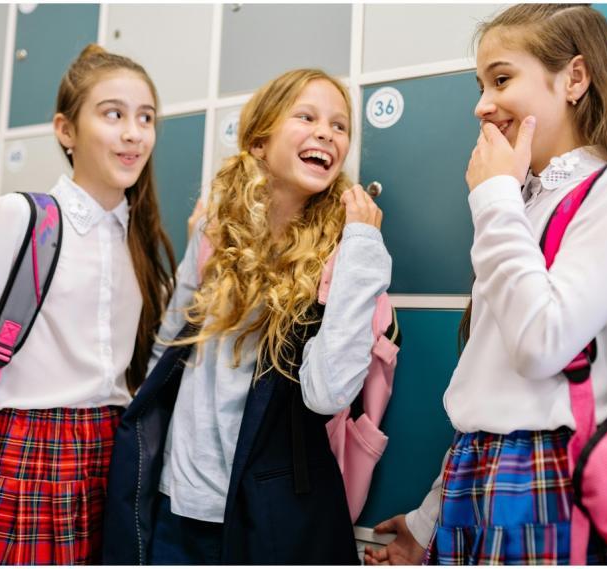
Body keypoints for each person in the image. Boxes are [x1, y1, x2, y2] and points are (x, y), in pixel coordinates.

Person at [365, 4, 607, 565]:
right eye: (481, 84)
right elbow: (490, 386)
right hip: (475, 471)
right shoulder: (519, 199)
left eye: (502, 79)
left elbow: (542, 345)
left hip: (550, 475)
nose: (482, 104)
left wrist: (494, 198)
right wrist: (429, 518)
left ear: (574, 78)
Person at [0, 44, 176, 565]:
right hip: (26, 457)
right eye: (113, 114)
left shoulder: (141, 244)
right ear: (66, 130)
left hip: (110, 460)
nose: (134, 133)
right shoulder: (19, 218)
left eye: (146, 118)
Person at [102, 68, 391, 564]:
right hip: (178, 502)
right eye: (306, 116)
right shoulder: (216, 232)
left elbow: (328, 393)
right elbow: (167, 347)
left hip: (268, 514)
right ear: (259, 142)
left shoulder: (346, 253)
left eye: (339, 125)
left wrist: (362, 246)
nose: (326, 131)